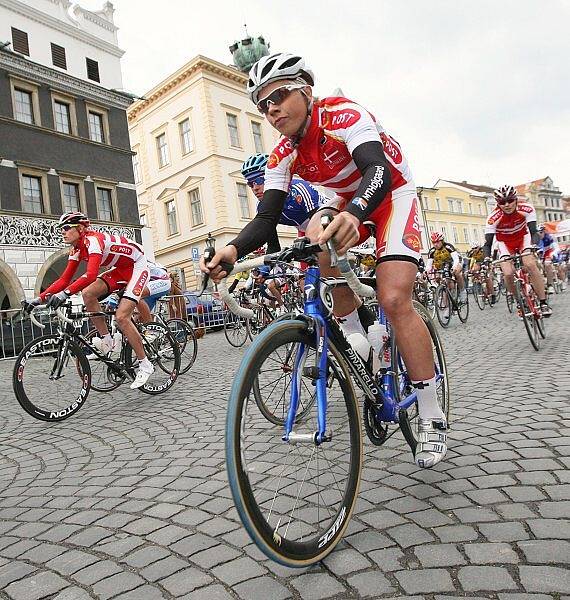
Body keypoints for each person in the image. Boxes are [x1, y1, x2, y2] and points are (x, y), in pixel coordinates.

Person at [201, 52, 447, 468]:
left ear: (306, 91)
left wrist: (354, 215)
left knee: (392, 297)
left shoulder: (343, 116)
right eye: (263, 104)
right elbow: (266, 220)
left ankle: (431, 412)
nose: (272, 108)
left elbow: (377, 171)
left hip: (392, 193)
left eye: (279, 95)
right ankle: (353, 331)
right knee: (315, 232)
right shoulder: (281, 155)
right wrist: (231, 250)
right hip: (345, 201)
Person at [22, 212, 155, 388]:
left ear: (81, 228)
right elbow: (63, 280)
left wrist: (65, 294)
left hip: (137, 265)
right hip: (120, 269)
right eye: (62, 228)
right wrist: (38, 299)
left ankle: (145, 365)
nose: (63, 232)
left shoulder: (92, 241)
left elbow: (91, 274)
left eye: (67, 228)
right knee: (88, 294)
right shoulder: (76, 249)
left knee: (122, 317)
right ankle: (108, 342)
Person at [483, 185, 552, 317]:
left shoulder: (526, 208)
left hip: (523, 238)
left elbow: (533, 232)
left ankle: (543, 302)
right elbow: (488, 243)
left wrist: (535, 245)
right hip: (504, 243)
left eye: (510, 200)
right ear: (498, 204)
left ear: (515, 199)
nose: (507, 205)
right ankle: (520, 302)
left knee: (530, 264)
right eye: (502, 202)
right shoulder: (493, 218)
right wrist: (487, 259)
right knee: (508, 273)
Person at [426, 232, 466, 301]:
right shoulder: (432, 251)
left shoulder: (448, 246)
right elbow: (429, 265)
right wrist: (426, 271)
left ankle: (462, 291)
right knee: (438, 277)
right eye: (433, 242)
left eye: (437, 242)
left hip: (455, 261)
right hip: (443, 264)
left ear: (442, 241)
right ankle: (443, 291)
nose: (435, 244)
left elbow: (456, 259)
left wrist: (454, 267)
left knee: (456, 272)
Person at [536, 225, 559, 294]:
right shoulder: (534, 239)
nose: (539, 234)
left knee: (547, 264)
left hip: (548, 253)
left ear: (544, 231)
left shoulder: (550, 237)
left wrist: (553, 254)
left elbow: (557, 248)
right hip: (539, 254)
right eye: (537, 233)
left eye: (541, 232)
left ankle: (550, 285)